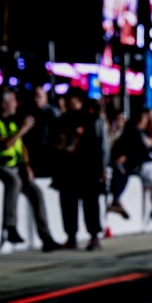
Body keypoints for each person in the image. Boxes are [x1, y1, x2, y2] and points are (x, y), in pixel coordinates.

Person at [0, 87, 61, 252]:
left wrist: (27, 166)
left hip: (15, 167)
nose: (16, 104)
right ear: (4, 104)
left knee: (36, 191)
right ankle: (10, 226)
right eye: (13, 101)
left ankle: (46, 237)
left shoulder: (12, 122)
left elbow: (22, 147)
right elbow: (5, 144)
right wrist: (23, 129)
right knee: (13, 181)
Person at [51, 87, 109, 251]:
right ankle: (71, 237)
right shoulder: (61, 120)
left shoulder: (92, 119)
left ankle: (94, 236)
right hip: (68, 170)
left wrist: (103, 167)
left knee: (90, 204)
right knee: (68, 204)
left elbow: (102, 145)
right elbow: (56, 145)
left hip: (88, 169)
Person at [21, 85, 62, 179]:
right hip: (34, 157)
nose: (36, 99)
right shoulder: (29, 113)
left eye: (39, 96)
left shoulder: (53, 113)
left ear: (45, 97)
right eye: (34, 96)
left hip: (49, 157)